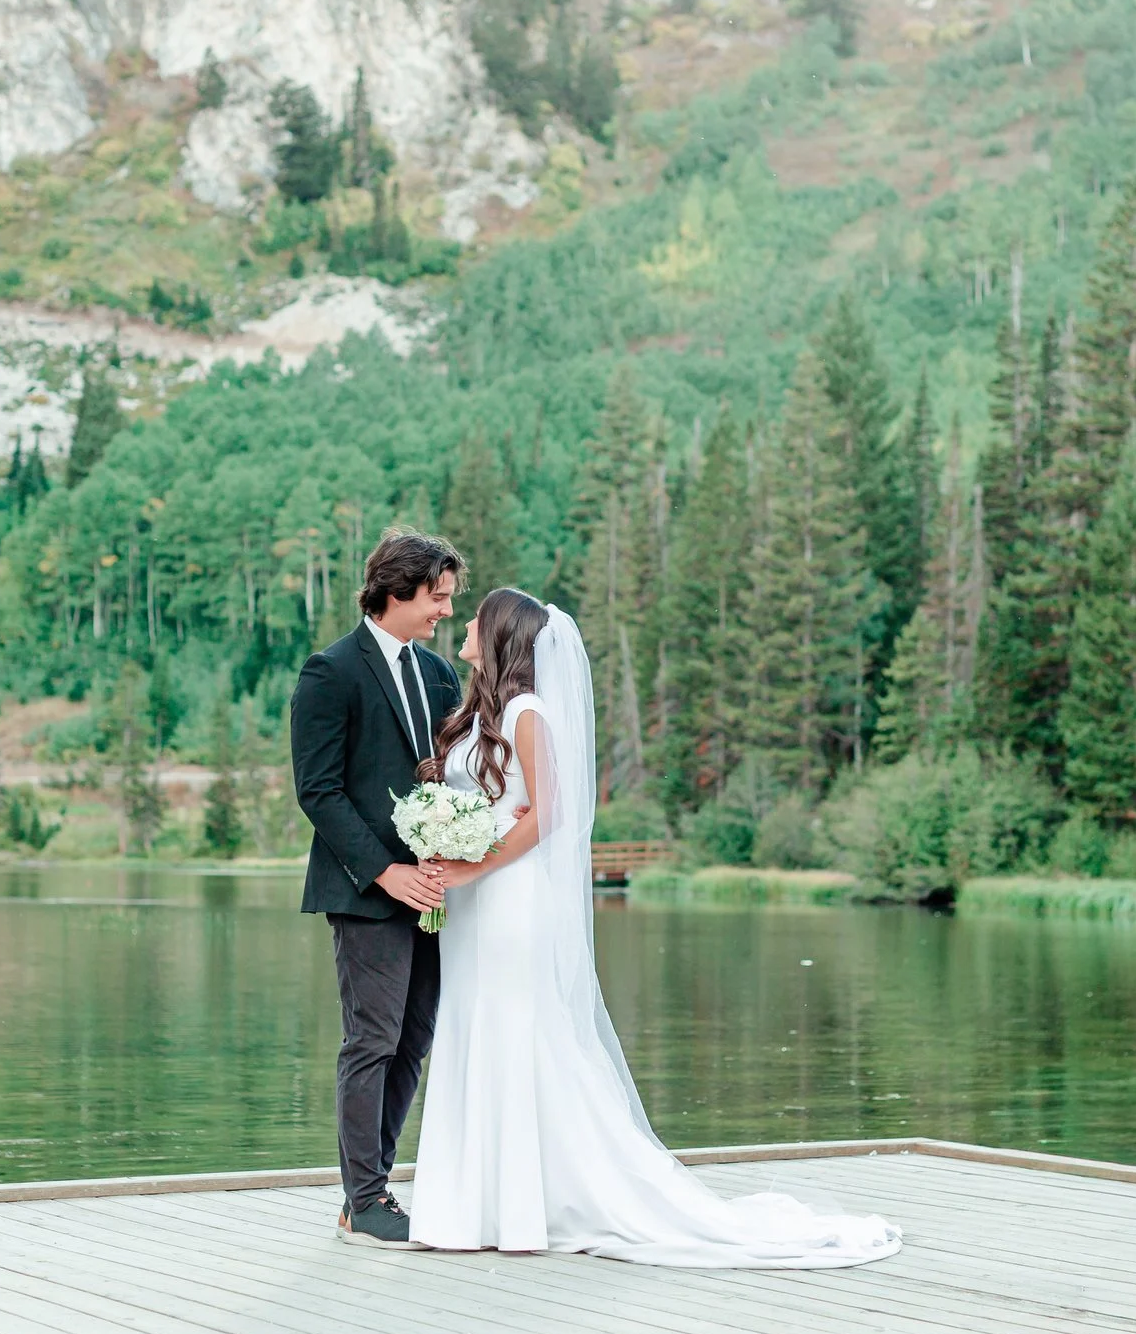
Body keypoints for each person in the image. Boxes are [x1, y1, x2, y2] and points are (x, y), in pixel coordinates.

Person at [407, 587, 900, 1268]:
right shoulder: (475, 714)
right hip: (471, 906)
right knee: (471, 1026)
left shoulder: (526, 712)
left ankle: (525, 1207)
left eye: (474, 614)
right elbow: (478, 802)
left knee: (514, 1031)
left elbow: (546, 816)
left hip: (508, 899)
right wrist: (444, 848)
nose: (463, 623)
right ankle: (473, 1206)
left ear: (499, 633)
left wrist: (474, 865)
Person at [288, 528, 463, 1248]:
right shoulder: (330, 672)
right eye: (437, 597)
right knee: (373, 1038)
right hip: (365, 890)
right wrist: (386, 870)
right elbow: (319, 790)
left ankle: (375, 1187)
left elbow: (450, 778)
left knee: (414, 1038)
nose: (446, 611)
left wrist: (449, 858)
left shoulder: (440, 675)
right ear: (397, 592)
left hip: (432, 888)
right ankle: (363, 1198)